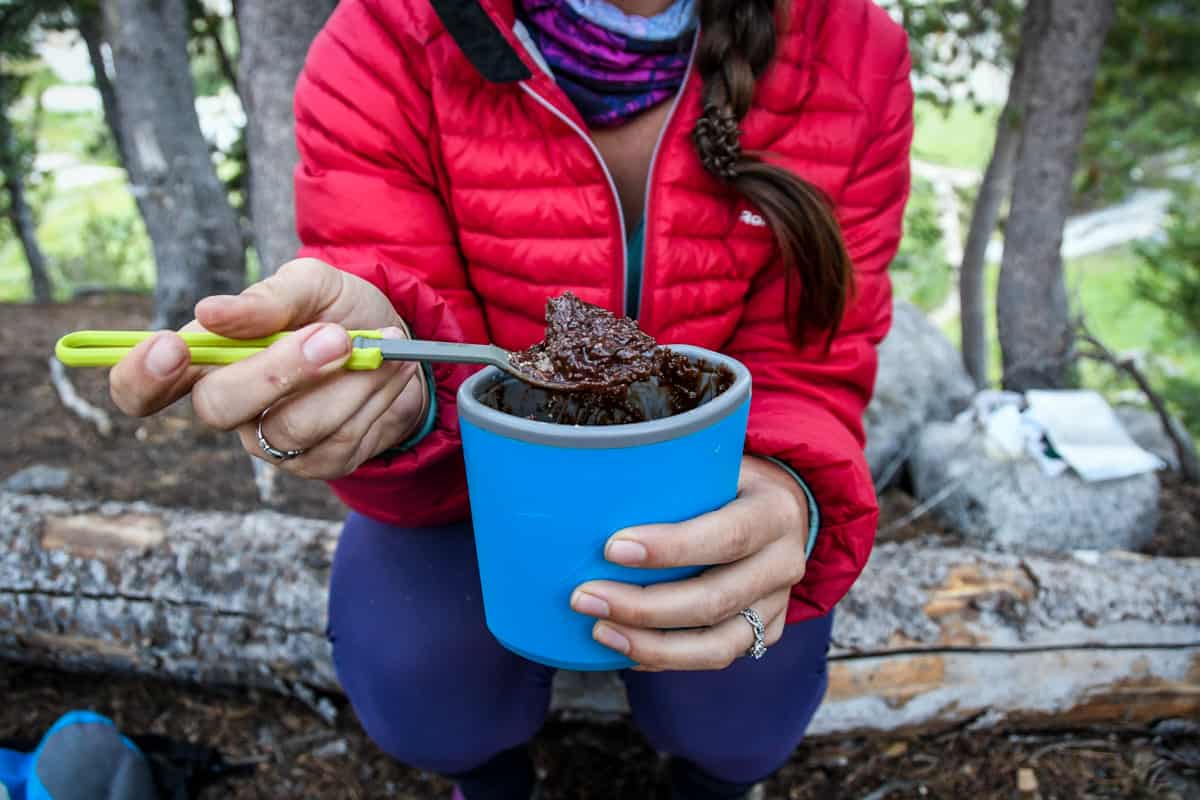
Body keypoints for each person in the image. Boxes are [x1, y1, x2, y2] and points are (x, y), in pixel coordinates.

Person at [109, 0, 913, 798]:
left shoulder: (855, 53)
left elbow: (813, 361)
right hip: (470, 480)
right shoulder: (390, 36)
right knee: (424, 695)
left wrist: (789, 487)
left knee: (741, 728)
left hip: (711, 479)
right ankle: (492, 787)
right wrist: (399, 394)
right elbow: (393, 298)